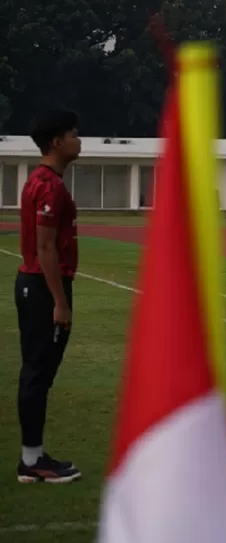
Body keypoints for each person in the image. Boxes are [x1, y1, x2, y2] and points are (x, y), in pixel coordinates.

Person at [15, 109, 82, 483]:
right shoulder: (49, 185)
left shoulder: (40, 180)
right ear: (57, 142)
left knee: (36, 373)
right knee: (38, 375)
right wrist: (60, 300)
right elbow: (45, 247)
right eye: (73, 134)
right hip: (43, 285)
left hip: (35, 283)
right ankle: (32, 461)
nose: (79, 139)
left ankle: (33, 456)